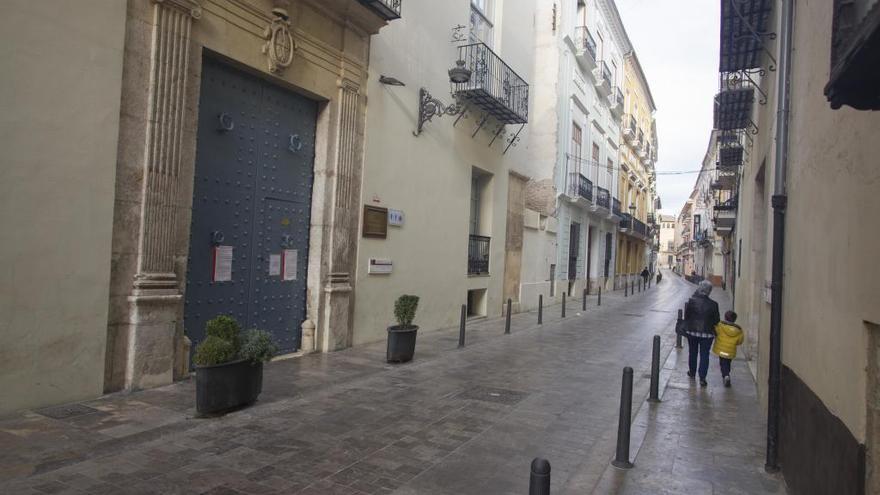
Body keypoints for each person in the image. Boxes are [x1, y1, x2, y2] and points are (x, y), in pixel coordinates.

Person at [684, 280, 720, 386]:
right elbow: (717, 320)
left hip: (692, 332)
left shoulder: (692, 301)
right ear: (709, 291)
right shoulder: (714, 304)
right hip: (707, 334)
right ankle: (702, 378)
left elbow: (687, 316)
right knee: (705, 355)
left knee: (693, 352)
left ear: (700, 289)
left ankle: (692, 372)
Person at [713, 310, 744, 387]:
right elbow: (740, 341)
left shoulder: (720, 326)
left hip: (721, 349)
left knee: (723, 363)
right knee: (727, 362)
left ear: (725, 317)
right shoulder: (739, 330)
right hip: (730, 351)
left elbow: (715, 331)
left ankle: (726, 375)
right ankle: (727, 374)